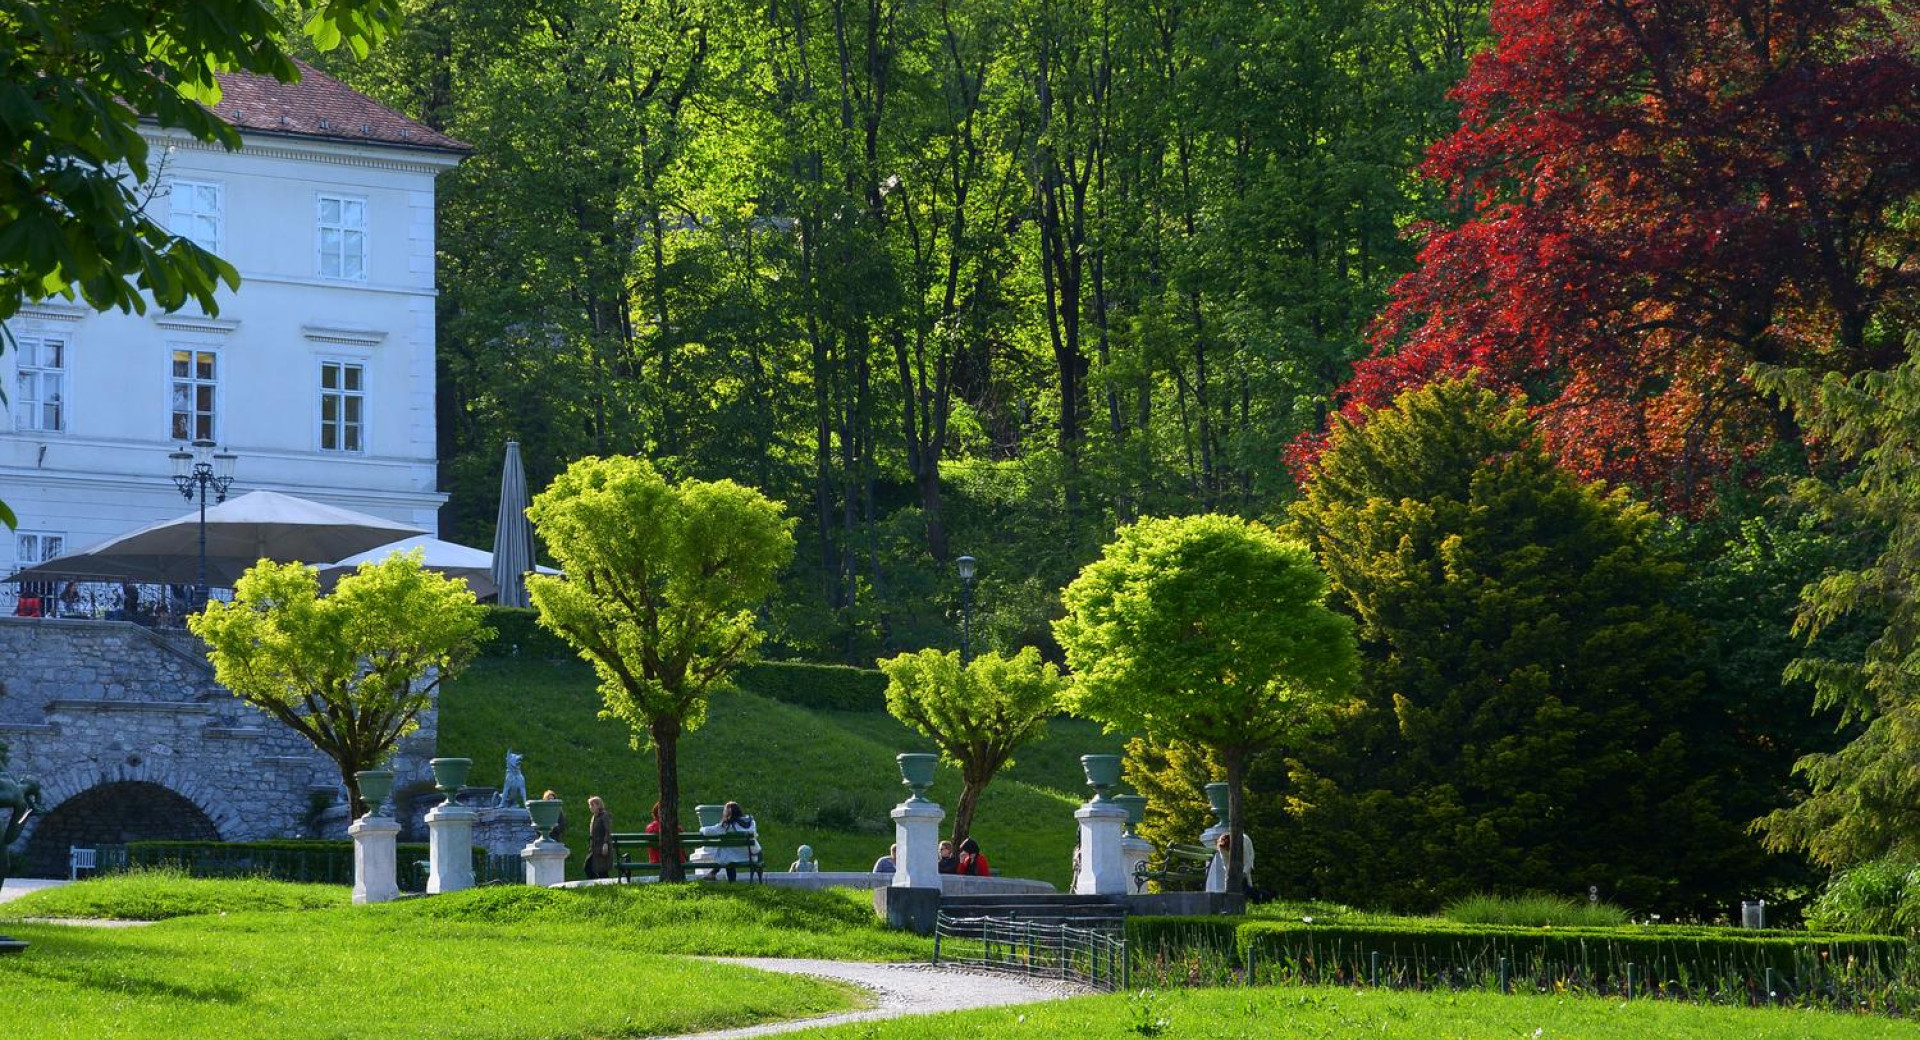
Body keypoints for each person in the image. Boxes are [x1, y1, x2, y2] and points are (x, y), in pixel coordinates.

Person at [700, 800, 759, 882]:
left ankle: (724, 878)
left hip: (732, 857)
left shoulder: (727, 825)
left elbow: (708, 831)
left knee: (727, 853)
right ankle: (713, 873)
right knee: (728, 852)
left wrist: (702, 829)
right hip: (750, 856)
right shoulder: (751, 822)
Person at [1206, 830, 1256, 894]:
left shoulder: (1242, 844)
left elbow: (1248, 861)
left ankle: (1249, 894)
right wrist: (1228, 879)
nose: (1227, 851)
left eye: (1228, 849)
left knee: (1247, 876)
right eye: (1225, 849)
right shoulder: (1221, 846)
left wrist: (1244, 873)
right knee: (1229, 876)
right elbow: (1226, 864)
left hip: (1247, 850)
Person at [584, 795, 613, 880]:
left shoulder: (604, 816)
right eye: (590, 805)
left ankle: (603, 885)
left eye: (592, 805)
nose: (590, 807)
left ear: (598, 805)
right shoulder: (594, 817)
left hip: (601, 847)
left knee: (601, 870)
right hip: (594, 848)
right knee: (589, 867)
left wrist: (605, 843)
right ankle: (597, 883)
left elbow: (607, 830)